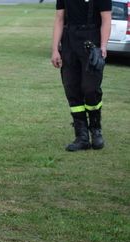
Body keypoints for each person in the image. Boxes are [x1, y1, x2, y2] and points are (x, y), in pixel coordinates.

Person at [51, 0, 111, 151]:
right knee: (72, 88)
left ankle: (95, 130)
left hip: (92, 42)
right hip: (69, 42)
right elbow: (59, 18)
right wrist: (55, 49)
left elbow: (106, 19)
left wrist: (103, 46)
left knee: (90, 88)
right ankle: (81, 136)